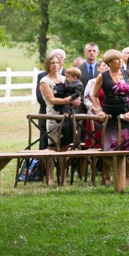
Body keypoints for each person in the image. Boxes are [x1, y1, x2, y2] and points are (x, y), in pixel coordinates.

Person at [37, 51, 78, 183]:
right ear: (47, 65)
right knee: (53, 148)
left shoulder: (64, 79)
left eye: (57, 62)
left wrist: (77, 100)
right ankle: (50, 176)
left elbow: (75, 91)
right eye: (52, 63)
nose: (55, 65)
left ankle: (63, 176)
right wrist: (70, 101)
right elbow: (52, 100)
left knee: (65, 147)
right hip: (54, 116)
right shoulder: (44, 81)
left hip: (67, 116)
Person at [91, 49, 129, 151]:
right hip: (109, 117)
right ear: (109, 62)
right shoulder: (102, 76)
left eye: (120, 58)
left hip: (126, 117)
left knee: (127, 151)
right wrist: (99, 110)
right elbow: (94, 96)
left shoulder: (128, 73)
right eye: (117, 59)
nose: (120, 61)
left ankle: (125, 168)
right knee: (109, 149)